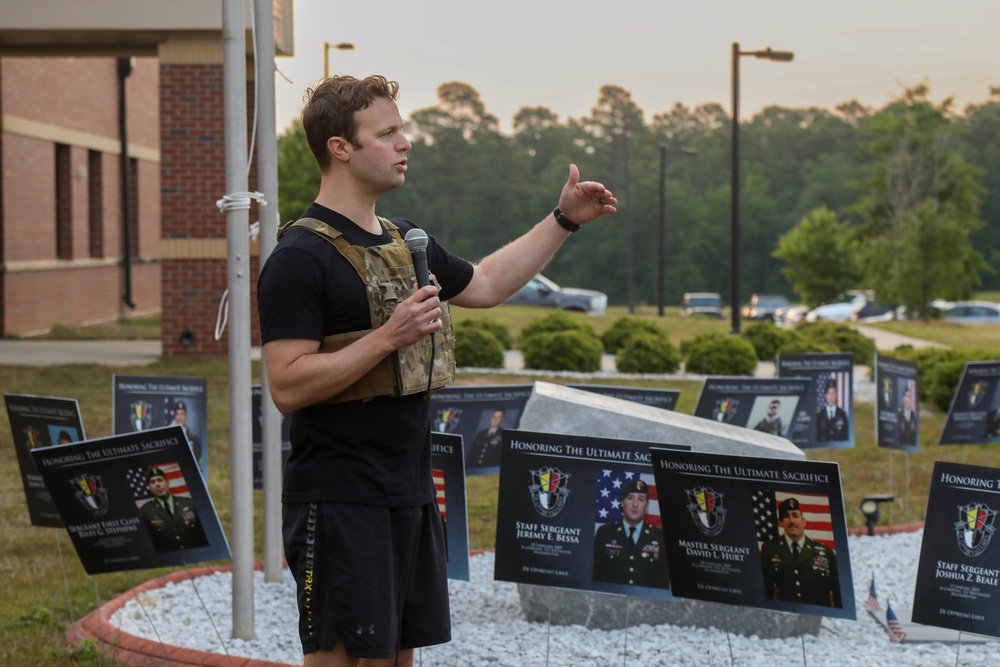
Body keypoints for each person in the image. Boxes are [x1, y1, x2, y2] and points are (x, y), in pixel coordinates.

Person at [257, 74, 616, 667]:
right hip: (341, 501)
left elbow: (489, 283)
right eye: (389, 132)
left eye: (403, 129)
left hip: (409, 493)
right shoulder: (300, 257)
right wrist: (387, 337)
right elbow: (286, 384)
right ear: (340, 148)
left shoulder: (403, 242)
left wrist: (563, 219)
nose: (406, 143)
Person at [760, 497, 841, 607]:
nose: (792, 521)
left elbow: (838, 593)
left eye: (795, 515)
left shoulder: (826, 553)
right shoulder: (770, 550)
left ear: (804, 522)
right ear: (782, 523)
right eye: (786, 516)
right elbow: (765, 591)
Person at [592, 478, 668, 588]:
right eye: (630, 498)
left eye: (641, 499)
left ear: (646, 506)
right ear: (622, 502)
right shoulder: (605, 533)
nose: (635, 504)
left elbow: (664, 582)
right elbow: (595, 578)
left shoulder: (658, 537)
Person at [137, 465, 208, 553]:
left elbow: (203, 533)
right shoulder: (147, 511)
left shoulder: (188, 503)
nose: (157, 484)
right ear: (150, 488)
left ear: (167, 482)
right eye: (152, 482)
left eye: (160, 480)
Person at [170, 399, 202, 464]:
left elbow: (198, 463)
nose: (179, 418)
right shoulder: (169, 437)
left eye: (182, 414)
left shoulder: (195, 439)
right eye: (177, 414)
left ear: (186, 416)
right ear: (175, 416)